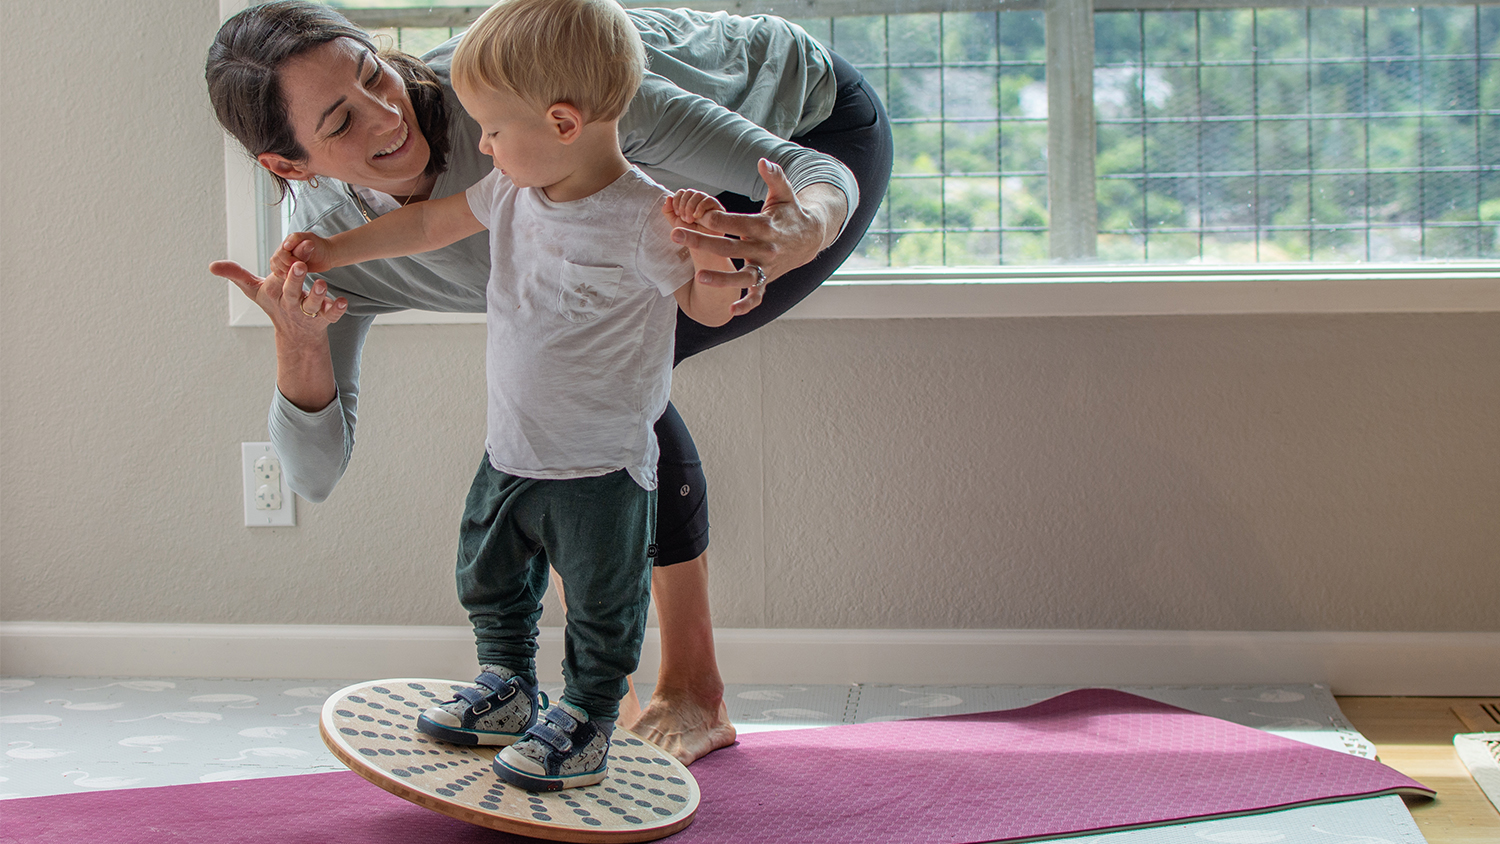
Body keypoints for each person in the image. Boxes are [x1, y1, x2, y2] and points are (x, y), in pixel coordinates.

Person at [205, 0, 892, 764]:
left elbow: (812, 173)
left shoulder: (536, 93)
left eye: (374, 73)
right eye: (339, 123)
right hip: (656, 199)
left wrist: (805, 225)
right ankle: (598, 701)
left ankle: (690, 694)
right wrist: (297, 344)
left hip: (803, 130)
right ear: (288, 165)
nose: (384, 115)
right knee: (574, 385)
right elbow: (313, 474)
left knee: (600, 385)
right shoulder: (339, 243)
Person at [270, 0, 741, 790]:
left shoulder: (642, 219)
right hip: (513, 447)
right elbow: (423, 228)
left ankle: (589, 713)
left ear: (561, 123)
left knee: (600, 604)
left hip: (599, 467)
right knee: (489, 573)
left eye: (490, 129)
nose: (478, 145)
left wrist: (717, 260)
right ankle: (509, 687)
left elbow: (702, 307)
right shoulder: (514, 192)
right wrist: (330, 247)